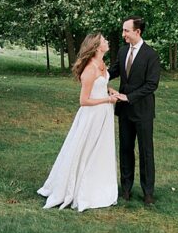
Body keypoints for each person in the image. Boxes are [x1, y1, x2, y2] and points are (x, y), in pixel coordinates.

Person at [37, 32, 125, 211]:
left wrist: (109, 90)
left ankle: (98, 184)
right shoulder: (90, 69)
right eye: (104, 40)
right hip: (92, 115)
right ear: (96, 46)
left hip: (104, 114)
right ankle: (78, 188)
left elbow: (99, 84)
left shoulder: (102, 64)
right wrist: (107, 100)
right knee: (85, 149)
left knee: (100, 150)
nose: (107, 42)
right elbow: (84, 101)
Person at [108, 15, 161, 205]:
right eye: (123, 30)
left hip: (143, 112)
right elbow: (112, 71)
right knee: (125, 150)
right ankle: (126, 189)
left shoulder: (151, 55)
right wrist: (94, 73)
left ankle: (148, 192)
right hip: (124, 112)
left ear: (137, 32)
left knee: (146, 152)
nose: (123, 34)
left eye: (126, 31)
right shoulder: (122, 52)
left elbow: (151, 85)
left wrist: (129, 97)